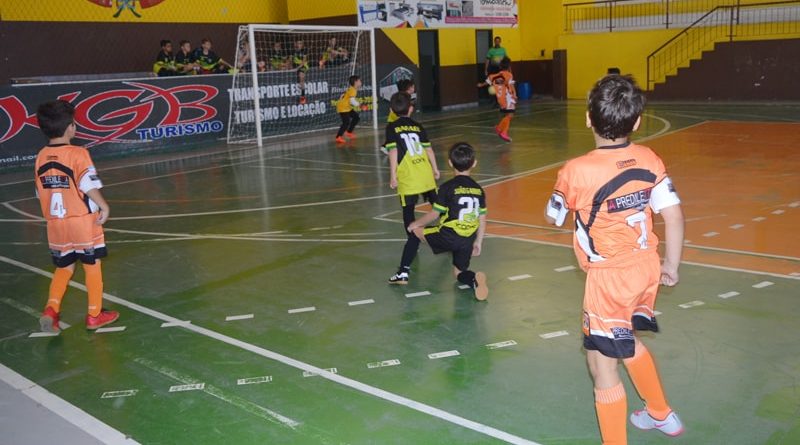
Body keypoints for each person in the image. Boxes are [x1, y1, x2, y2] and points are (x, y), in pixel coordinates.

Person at [544, 74, 685, 444]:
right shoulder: (650, 158)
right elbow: (672, 214)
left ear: (588, 119)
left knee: (600, 364)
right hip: (647, 267)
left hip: (609, 278)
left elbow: (553, 215)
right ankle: (660, 413)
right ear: (637, 122)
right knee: (627, 340)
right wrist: (671, 264)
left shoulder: (577, 170)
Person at [34, 100, 120, 333]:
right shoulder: (78, 153)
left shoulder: (41, 155)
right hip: (82, 219)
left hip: (55, 223)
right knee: (92, 265)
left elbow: (39, 191)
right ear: (71, 126)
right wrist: (103, 206)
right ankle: (94, 314)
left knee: (65, 267)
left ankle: (51, 310)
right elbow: (86, 183)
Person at [406, 142, 488, 300]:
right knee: (459, 272)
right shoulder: (479, 189)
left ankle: (403, 271)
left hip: (449, 234)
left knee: (417, 232)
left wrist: (415, 224)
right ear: (474, 163)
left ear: (450, 163)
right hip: (468, 237)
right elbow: (482, 219)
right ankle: (473, 280)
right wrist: (478, 242)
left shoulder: (447, 187)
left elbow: (434, 214)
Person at [385, 92, 440, 285]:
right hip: (425, 174)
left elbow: (393, 151)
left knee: (409, 217)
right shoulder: (418, 126)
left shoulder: (392, 127)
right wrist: (435, 168)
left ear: (392, 110)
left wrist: (393, 175)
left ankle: (412, 247)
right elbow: (429, 149)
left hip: (408, 178)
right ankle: (451, 235)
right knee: (438, 207)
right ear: (411, 108)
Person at [478, 57, 516, 142]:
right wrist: (514, 94)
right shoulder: (508, 75)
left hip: (500, 99)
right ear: (509, 66)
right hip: (508, 98)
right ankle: (504, 132)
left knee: (507, 115)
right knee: (510, 115)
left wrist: (480, 85)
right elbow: (511, 86)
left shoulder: (492, 76)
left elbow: (486, 82)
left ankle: (499, 128)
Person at [380, 78, 416, 155]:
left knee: (396, 135)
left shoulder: (402, 96)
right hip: (396, 119)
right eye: (413, 87)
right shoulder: (405, 97)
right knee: (396, 135)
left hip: (396, 118)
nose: (414, 88)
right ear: (409, 88)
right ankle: (385, 147)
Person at [335, 75, 364, 144]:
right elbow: (352, 101)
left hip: (347, 107)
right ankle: (338, 137)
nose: (361, 82)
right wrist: (360, 105)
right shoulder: (353, 90)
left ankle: (349, 132)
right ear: (356, 82)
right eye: (359, 81)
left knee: (356, 117)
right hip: (343, 108)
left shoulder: (352, 89)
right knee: (346, 122)